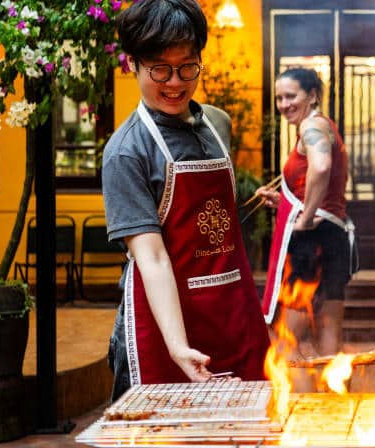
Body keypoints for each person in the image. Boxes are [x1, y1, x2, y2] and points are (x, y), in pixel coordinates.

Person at [102, 0, 269, 401]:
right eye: (160, 69)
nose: (175, 82)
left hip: (233, 310)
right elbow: (153, 257)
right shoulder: (127, 152)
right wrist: (178, 346)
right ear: (133, 64)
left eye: (187, 67)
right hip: (165, 327)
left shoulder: (217, 124)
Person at [256, 67, 355, 392]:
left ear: (312, 95)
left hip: (312, 241)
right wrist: (287, 203)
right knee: (329, 337)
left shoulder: (311, 126)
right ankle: (335, 407)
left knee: (285, 339)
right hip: (335, 237)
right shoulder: (326, 126)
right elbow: (324, 183)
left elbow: (321, 167)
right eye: (279, 98)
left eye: (290, 96)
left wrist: (305, 217)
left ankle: (305, 408)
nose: (283, 104)